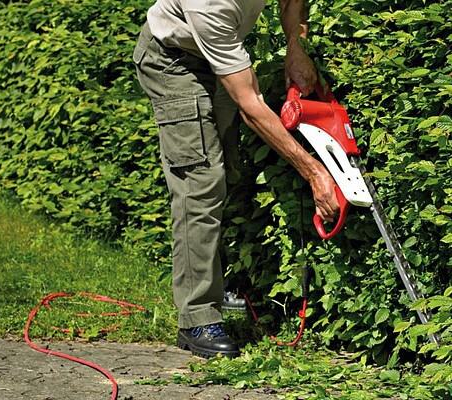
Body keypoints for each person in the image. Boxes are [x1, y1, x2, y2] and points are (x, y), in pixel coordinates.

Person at [131, 0, 340, 359]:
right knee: (201, 182)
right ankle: (197, 317)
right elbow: (251, 105)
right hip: (173, 61)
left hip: (215, 57)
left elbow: (292, 0)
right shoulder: (210, 4)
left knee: (226, 169)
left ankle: (215, 284)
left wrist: (295, 47)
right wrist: (314, 172)